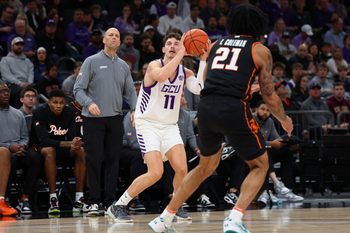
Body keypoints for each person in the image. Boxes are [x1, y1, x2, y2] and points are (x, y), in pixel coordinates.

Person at [149, 4, 293, 233]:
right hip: (233, 108)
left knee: (205, 167)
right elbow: (268, 93)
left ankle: (164, 218)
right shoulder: (259, 50)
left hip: (206, 108)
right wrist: (283, 118)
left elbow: (207, 79)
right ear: (257, 25)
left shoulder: (216, 45)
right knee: (260, 164)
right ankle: (234, 219)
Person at [106, 31, 207, 222]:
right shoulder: (154, 66)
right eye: (169, 43)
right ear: (163, 49)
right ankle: (118, 205)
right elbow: (162, 76)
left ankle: (174, 207)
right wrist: (181, 54)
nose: (172, 46)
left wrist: (203, 60)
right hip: (148, 125)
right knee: (155, 172)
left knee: (182, 169)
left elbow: (199, 89)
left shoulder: (186, 73)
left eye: (177, 43)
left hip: (169, 126)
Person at [73, 27, 137, 216]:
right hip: (93, 120)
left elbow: (130, 91)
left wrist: (134, 109)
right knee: (94, 160)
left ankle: (110, 202)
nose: (114, 37)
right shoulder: (91, 61)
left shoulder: (123, 65)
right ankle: (93, 201)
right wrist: (89, 103)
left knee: (113, 161)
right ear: (104, 39)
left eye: (117, 35)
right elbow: (78, 90)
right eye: (111, 35)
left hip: (115, 119)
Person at [30, 90, 86, 216]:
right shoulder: (40, 112)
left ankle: (79, 198)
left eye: (61, 102)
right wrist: (68, 144)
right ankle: (53, 199)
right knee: (50, 151)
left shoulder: (70, 112)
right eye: (55, 102)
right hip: (39, 148)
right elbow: (43, 140)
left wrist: (75, 143)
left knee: (80, 150)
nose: (58, 105)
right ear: (49, 102)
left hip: (61, 147)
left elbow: (73, 136)